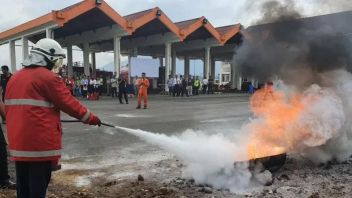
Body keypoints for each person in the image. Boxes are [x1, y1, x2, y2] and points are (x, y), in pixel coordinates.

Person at [5, 38, 101, 198]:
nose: (57, 65)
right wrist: (91, 118)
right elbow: (69, 104)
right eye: (56, 60)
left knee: (23, 187)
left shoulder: (14, 77)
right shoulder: (48, 78)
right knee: (37, 188)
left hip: (19, 142)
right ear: (47, 58)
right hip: (38, 145)